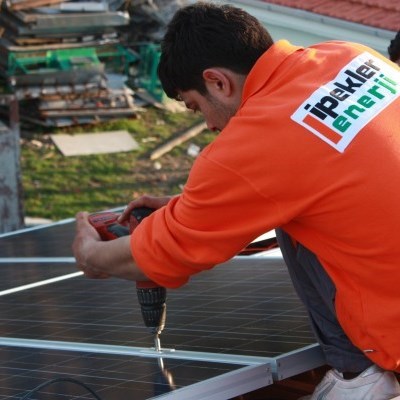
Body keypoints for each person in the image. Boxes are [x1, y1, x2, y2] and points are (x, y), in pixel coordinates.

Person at [73, 2, 400, 399]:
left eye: (197, 107)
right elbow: (328, 170)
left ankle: (358, 376)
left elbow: (162, 255)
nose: (210, 124)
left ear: (217, 82)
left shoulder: (256, 139)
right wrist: (197, 206)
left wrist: (91, 255)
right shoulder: (349, 55)